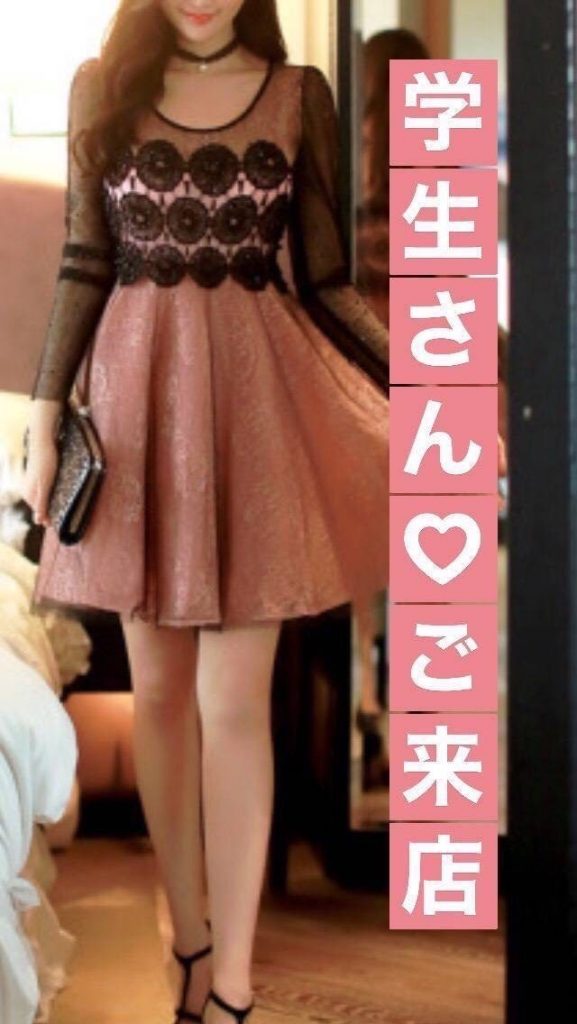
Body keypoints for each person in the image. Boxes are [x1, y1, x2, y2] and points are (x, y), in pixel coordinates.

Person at [21, 3, 392, 1023]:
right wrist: (44, 420)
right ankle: (187, 937)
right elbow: (83, 261)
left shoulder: (297, 94)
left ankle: (231, 984)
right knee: (160, 698)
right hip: (136, 408)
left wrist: (427, 393)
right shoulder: (102, 86)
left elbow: (326, 281)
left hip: (255, 413)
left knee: (233, 705)